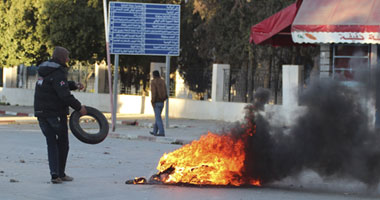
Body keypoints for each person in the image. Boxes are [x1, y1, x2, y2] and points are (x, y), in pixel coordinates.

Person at [34, 46, 87, 184]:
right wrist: (79, 107)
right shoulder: (58, 72)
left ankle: (55, 175)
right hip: (55, 113)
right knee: (63, 142)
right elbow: (64, 95)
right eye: (67, 57)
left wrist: (74, 85)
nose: (68, 59)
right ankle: (60, 174)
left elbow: (57, 85)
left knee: (51, 142)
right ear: (62, 58)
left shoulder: (45, 70)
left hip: (40, 112)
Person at [149, 70, 168, 137]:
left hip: (156, 102)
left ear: (154, 75)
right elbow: (165, 91)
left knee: (158, 118)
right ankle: (154, 131)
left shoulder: (153, 82)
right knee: (158, 117)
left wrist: (152, 101)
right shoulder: (162, 81)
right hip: (162, 101)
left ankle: (162, 132)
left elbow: (154, 93)